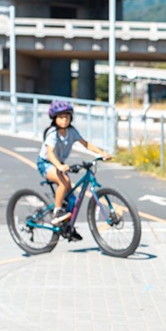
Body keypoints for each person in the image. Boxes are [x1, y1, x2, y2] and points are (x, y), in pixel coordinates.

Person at [37, 100, 111, 237]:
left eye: (67, 117)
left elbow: (86, 144)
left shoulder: (71, 131)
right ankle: (57, 212)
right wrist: (59, 166)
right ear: (54, 118)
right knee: (64, 181)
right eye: (61, 117)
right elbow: (50, 153)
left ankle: (68, 227)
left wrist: (101, 153)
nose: (64, 120)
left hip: (58, 164)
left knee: (71, 198)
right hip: (46, 163)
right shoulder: (52, 133)